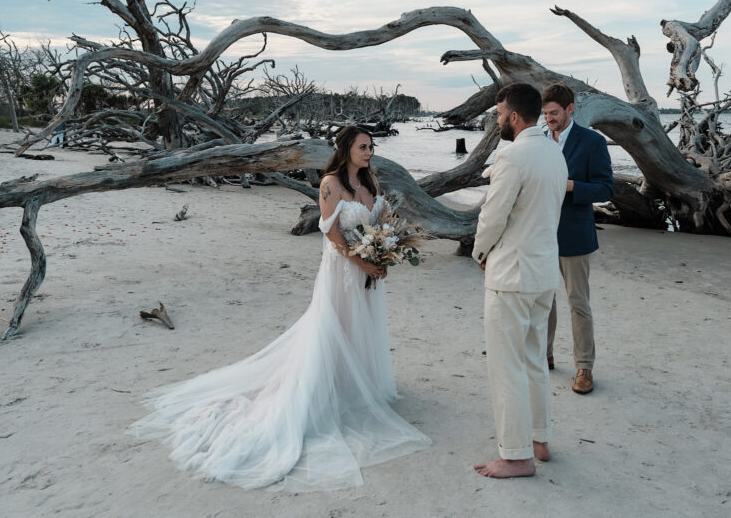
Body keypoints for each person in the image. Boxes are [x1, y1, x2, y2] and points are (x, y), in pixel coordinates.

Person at [129, 126, 430, 491]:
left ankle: (356, 385)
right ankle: (325, 387)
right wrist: (361, 261)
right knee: (335, 326)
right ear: (346, 148)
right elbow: (331, 233)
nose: (369, 152)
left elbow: (379, 224)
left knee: (361, 328)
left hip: (367, 271)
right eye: (363, 146)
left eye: (371, 146)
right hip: (342, 271)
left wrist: (381, 256)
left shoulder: (372, 181)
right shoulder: (331, 184)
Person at [472, 83, 568, 479]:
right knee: (533, 362)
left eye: (498, 116)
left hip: (511, 275)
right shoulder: (555, 154)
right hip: (545, 272)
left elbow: (493, 217)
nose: (498, 123)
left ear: (513, 116)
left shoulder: (513, 157)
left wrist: (480, 253)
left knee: (507, 365)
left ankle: (516, 456)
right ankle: (539, 439)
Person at [541, 83, 613, 395]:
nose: (549, 119)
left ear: (571, 108)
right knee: (542, 301)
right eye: (544, 114)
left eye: (554, 113)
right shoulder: (538, 140)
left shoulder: (593, 142)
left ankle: (585, 367)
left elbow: (605, 189)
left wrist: (570, 186)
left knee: (578, 303)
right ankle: (544, 356)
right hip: (540, 234)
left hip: (574, 233)